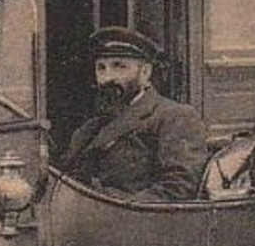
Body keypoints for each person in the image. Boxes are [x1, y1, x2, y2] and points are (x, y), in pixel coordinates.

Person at [59, 27, 209, 202]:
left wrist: (117, 208)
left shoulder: (174, 117)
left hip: (136, 222)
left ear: (145, 73)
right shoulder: (91, 127)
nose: (107, 78)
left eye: (119, 66)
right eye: (101, 68)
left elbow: (177, 189)